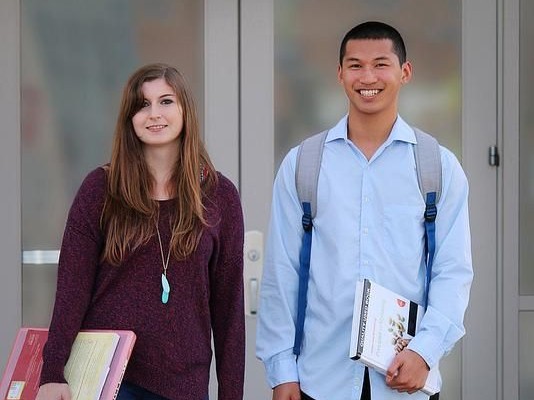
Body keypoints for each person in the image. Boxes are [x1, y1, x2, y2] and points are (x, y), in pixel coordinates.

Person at [256, 21, 473, 400]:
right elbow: (281, 275)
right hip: (319, 381)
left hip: (407, 380)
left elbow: (452, 272)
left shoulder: (437, 166)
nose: (367, 76)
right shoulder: (304, 163)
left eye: (381, 64)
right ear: (340, 74)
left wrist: (425, 351)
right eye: (355, 65)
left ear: (405, 73)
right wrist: (281, 371)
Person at [36, 63, 245, 400]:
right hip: (108, 378)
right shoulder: (100, 189)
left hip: (184, 383)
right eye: (142, 104)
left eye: (166, 101)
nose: (154, 114)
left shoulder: (221, 197)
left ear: (185, 111)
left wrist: (231, 394)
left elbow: (229, 308)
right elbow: (72, 287)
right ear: (129, 118)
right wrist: (51, 373)